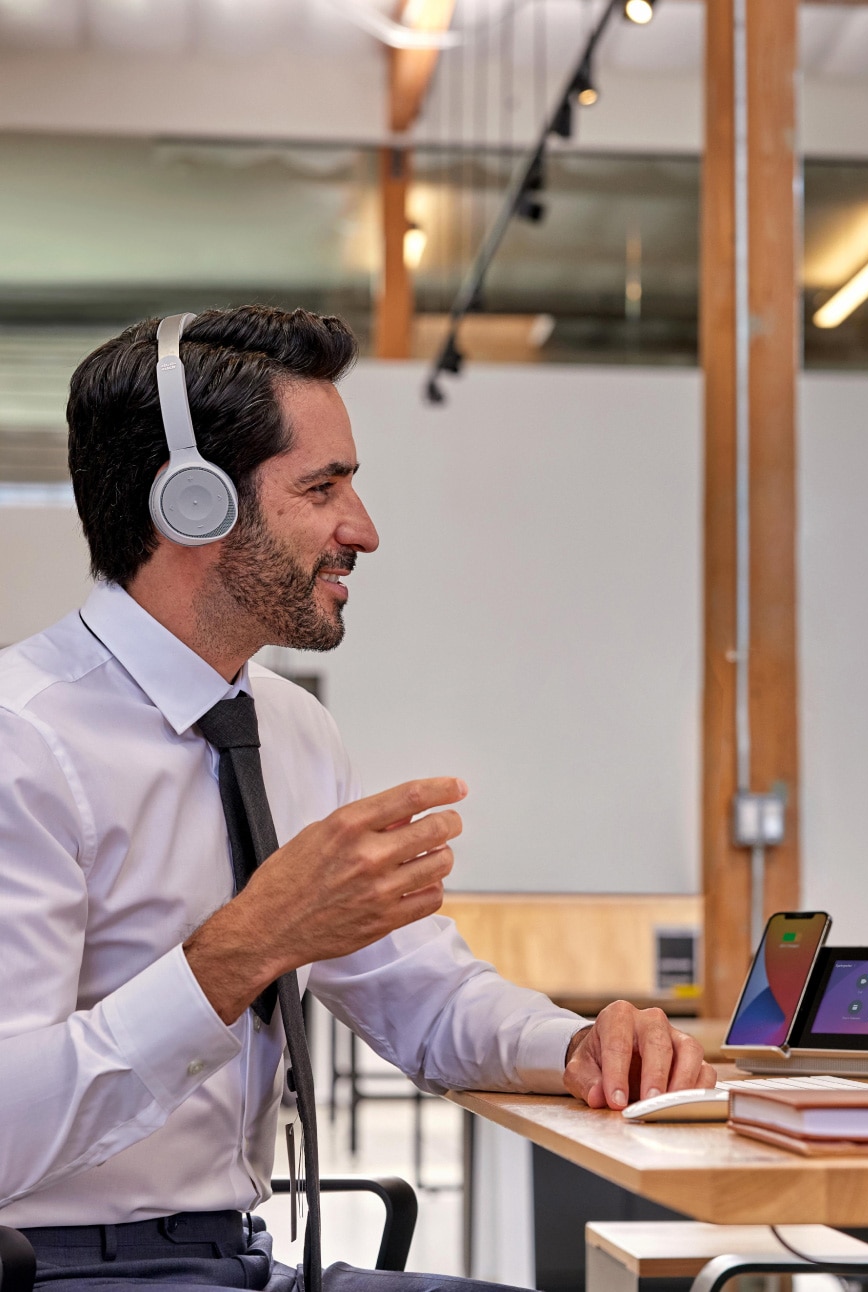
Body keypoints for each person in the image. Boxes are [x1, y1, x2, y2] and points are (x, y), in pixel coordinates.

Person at [0, 309, 714, 1288]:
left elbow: (424, 998)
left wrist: (579, 1042)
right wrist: (244, 945)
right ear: (194, 503)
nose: (361, 530)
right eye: (322, 486)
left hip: (244, 1261)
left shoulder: (290, 730)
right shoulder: (21, 741)